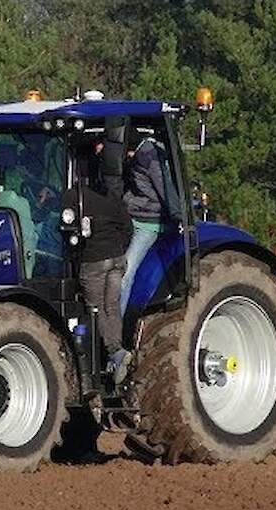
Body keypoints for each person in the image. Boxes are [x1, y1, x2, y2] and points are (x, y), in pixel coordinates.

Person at [66, 137, 134, 383]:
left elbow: (66, 231)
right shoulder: (112, 197)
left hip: (94, 261)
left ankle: (114, 354)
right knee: (112, 307)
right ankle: (117, 351)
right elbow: (128, 228)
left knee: (94, 310)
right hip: (116, 258)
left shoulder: (74, 197)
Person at [120, 131, 182, 310]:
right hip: (132, 216)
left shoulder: (150, 158)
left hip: (148, 222)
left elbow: (165, 189)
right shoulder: (138, 156)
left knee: (126, 272)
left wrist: (177, 215)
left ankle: (115, 329)